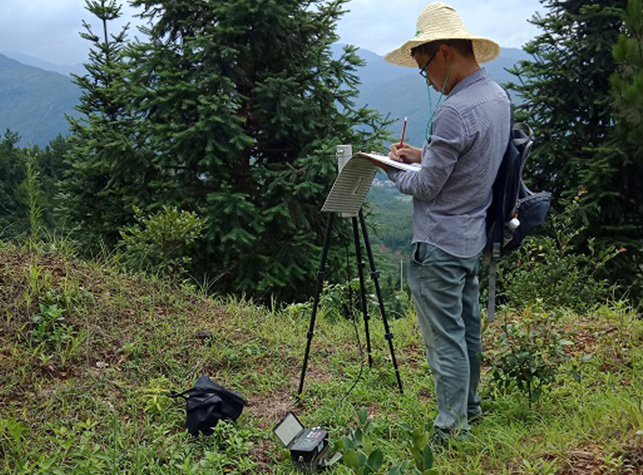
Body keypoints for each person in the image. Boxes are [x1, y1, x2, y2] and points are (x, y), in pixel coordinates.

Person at [373, 2, 511, 443]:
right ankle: (469, 407)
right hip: (471, 240)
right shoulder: (496, 97)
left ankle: (451, 430)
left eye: (424, 66)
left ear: (445, 52)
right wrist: (423, 154)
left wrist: (390, 168)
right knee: (467, 329)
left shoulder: (454, 110)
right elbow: (464, 162)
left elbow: (428, 188)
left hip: (438, 245)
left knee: (443, 340)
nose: (427, 78)